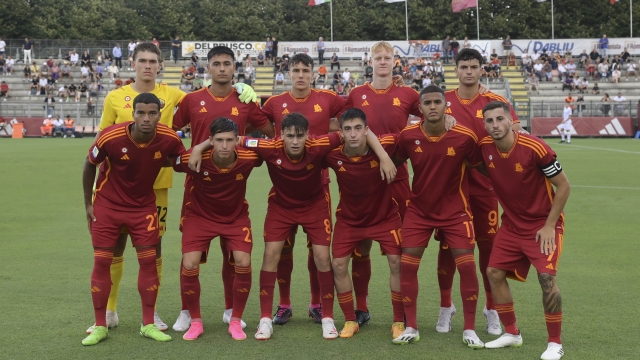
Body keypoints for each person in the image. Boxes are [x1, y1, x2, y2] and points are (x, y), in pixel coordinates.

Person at [189, 112, 396, 341]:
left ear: (308, 135)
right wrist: (199, 147)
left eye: (300, 136)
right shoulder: (269, 146)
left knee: (322, 257)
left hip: (314, 206)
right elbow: (234, 138)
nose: (295, 141)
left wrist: (384, 156)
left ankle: (327, 317)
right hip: (281, 207)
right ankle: (265, 319)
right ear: (281, 136)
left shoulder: (320, 144)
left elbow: (360, 131)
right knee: (271, 255)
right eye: (290, 136)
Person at [342, 41, 455, 327]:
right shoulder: (356, 93)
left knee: (405, 247)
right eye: (377, 57)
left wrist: (450, 115)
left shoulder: (408, 93)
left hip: (398, 174)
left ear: (395, 61)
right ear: (370, 61)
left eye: (387, 57)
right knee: (361, 244)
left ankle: (404, 309)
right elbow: (342, 124)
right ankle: (362, 307)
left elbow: (432, 112)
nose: (382, 61)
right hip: (363, 178)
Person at [85, 42, 186, 335]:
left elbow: (204, 103)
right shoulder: (116, 97)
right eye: (142, 60)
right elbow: (101, 141)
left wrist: (242, 90)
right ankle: (110, 311)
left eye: (153, 61)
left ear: (160, 65)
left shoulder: (173, 95)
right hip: (115, 190)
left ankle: (151, 316)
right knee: (113, 250)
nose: (147, 65)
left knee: (154, 249)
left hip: (156, 187)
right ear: (132, 63)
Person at [169, 45, 266, 333]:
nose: (222, 68)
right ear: (208, 68)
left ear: (234, 67)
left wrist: (255, 105)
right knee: (190, 254)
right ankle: (187, 311)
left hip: (232, 184)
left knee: (232, 253)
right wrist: (193, 149)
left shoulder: (245, 100)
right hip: (196, 184)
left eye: (227, 63)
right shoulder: (192, 99)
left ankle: (229, 310)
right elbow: (170, 131)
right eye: (216, 63)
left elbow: (271, 131)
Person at [438, 48, 525, 339]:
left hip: (487, 187)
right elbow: (419, 117)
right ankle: (446, 305)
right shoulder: (443, 101)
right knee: (449, 249)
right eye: (464, 66)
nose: (469, 71)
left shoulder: (495, 101)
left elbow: (516, 132)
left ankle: (491, 309)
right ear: (456, 70)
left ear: (481, 69)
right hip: (450, 189)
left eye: (474, 66)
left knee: (489, 250)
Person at [477, 101, 570, 360]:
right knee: (494, 273)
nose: (495, 125)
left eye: (499, 119)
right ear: (484, 124)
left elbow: (564, 187)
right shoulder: (484, 148)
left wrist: (550, 225)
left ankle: (554, 343)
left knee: (546, 279)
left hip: (544, 225)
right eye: (490, 121)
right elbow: (480, 166)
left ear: (510, 121)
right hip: (512, 225)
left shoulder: (536, 147)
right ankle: (511, 333)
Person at [392, 85, 483, 347]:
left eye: (437, 102)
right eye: (427, 103)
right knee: (408, 267)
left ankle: (469, 329)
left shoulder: (464, 136)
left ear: (446, 106)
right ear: (419, 108)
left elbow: (484, 168)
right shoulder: (408, 136)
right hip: (419, 212)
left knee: (467, 267)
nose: (432, 106)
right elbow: (393, 161)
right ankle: (411, 326)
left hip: (456, 212)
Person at [259, 53, 346, 325]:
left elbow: (354, 115)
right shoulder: (274, 103)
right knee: (283, 249)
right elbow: (254, 124)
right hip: (284, 186)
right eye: (295, 70)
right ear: (287, 73)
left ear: (313, 73)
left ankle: (316, 303)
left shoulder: (329, 99)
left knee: (317, 251)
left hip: (319, 186)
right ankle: (284, 304)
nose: (299, 75)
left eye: (304, 70)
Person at [173, 117, 262, 341]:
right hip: (199, 216)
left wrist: (201, 145)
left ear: (237, 140)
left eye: (230, 140)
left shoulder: (249, 157)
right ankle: (195, 321)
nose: (224, 146)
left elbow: (270, 147)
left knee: (243, 260)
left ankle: (235, 320)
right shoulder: (194, 159)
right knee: (189, 262)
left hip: (235, 217)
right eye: (219, 140)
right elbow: (168, 161)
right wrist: (198, 148)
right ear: (211, 140)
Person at [324, 108, 404, 339]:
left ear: (367, 130)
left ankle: (399, 320)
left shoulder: (386, 146)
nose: (353, 134)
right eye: (347, 129)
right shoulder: (332, 155)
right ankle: (351, 319)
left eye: (358, 128)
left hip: (385, 217)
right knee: (338, 265)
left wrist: (385, 156)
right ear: (341, 132)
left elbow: (415, 135)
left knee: (397, 262)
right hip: (350, 220)